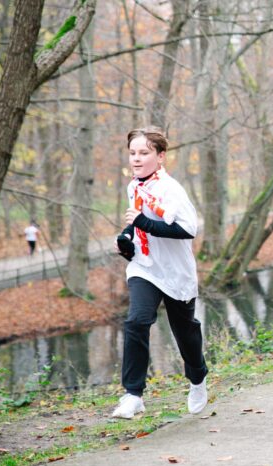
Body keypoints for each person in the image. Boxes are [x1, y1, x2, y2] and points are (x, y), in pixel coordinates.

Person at [111, 126, 208, 419]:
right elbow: (137, 222)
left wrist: (142, 223)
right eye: (132, 153)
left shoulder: (171, 190)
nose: (136, 159)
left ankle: (198, 379)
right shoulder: (134, 187)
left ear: (160, 156)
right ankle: (133, 394)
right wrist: (126, 240)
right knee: (136, 321)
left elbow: (186, 229)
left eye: (144, 153)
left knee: (185, 334)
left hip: (176, 273)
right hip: (145, 267)